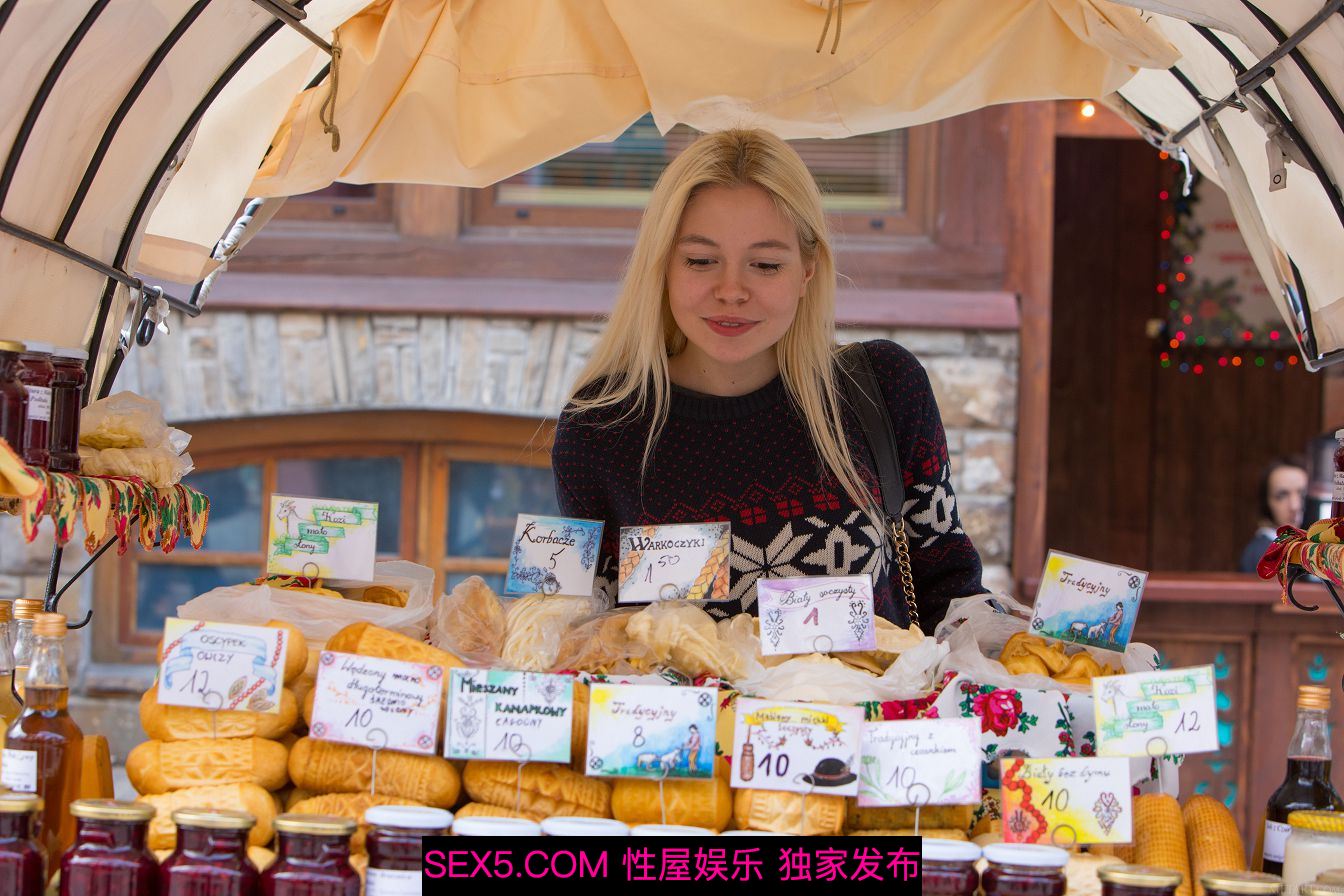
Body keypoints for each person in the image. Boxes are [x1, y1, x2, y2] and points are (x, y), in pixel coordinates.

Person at [551, 128, 984, 632]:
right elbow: (567, 628)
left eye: (765, 265)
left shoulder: (884, 387)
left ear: (807, 270)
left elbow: (950, 590)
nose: (731, 291)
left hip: (878, 688)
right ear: (662, 265)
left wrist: (1027, 646)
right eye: (700, 261)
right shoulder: (599, 428)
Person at [1238, 455, 1308, 573]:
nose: (1294, 506)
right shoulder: (1263, 554)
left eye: (1303, 494)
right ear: (1266, 503)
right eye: (1281, 496)